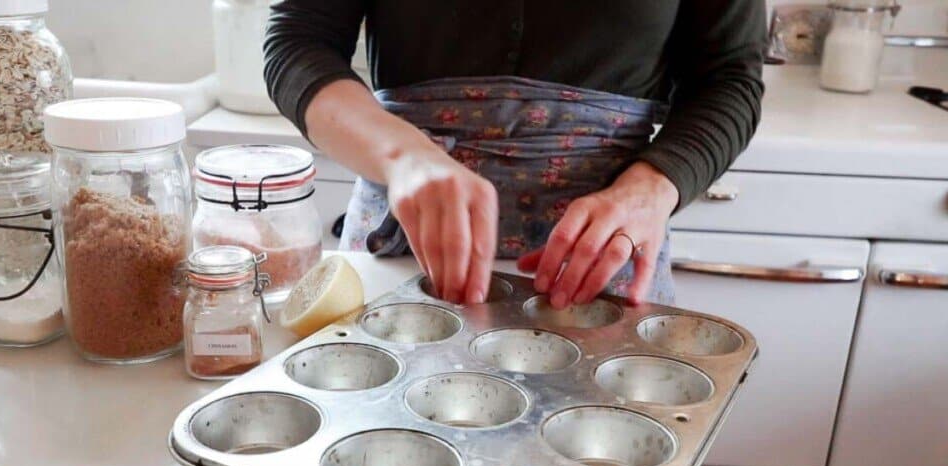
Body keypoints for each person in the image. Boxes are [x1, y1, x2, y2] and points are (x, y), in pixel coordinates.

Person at [264, 1, 765, 308]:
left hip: (598, 261)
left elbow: (729, 78)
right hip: (407, 242)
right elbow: (298, 44)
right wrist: (405, 158)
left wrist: (651, 188)